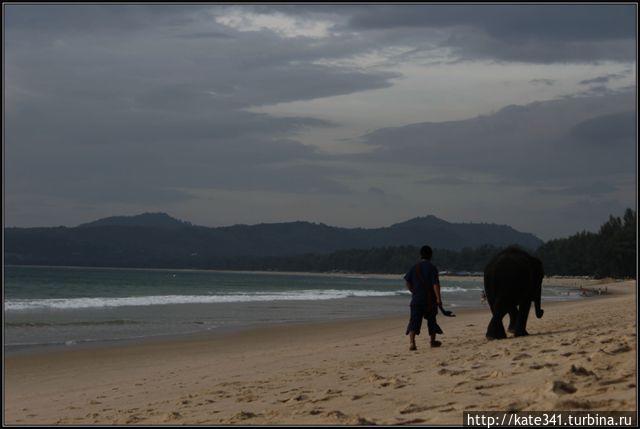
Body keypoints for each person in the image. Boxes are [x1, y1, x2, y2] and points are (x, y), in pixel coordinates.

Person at [404, 245, 443, 350]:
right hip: (430, 300)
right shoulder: (432, 268)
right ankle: (432, 341)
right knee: (432, 321)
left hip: (416, 299)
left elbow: (407, 282)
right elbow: (435, 284)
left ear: (420, 255)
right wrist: (439, 299)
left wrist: (413, 291)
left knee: (414, 321)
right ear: (430, 255)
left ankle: (412, 343)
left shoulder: (414, 267)